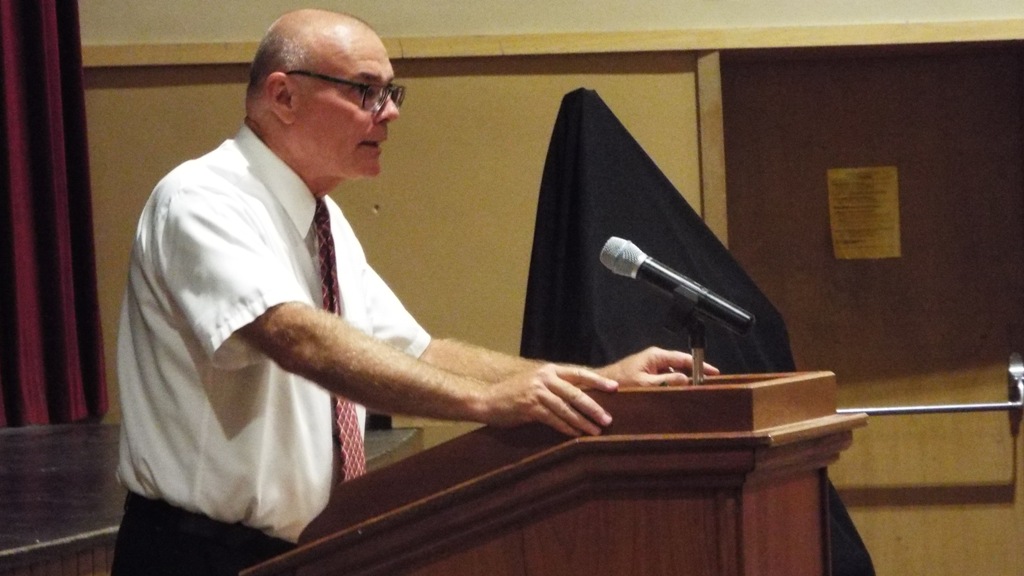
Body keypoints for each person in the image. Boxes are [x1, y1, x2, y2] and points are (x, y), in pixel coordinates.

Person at [110, 9, 714, 576]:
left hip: (299, 552)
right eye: (365, 91)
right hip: (198, 553)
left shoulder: (324, 221)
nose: (390, 112)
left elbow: (420, 352)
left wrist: (589, 384)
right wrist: (486, 402)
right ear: (283, 96)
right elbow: (296, 337)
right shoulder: (203, 197)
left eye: (391, 92)